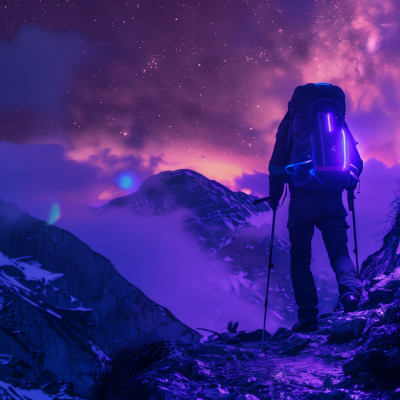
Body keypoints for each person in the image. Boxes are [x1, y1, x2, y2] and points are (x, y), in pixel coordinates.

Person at [267, 83, 363, 333]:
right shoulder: (338, 122)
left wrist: (275, 197)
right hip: (333, 198)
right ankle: (351, 293)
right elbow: (357, 162)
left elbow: (277, 166)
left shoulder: (290, 124)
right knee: (340, 252)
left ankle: (308, 318)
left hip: (301, 201)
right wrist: (346, 183)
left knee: (300, 260)